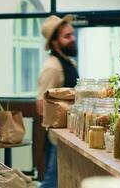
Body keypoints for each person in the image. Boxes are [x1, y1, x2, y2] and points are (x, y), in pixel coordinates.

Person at [36, 14, 79, 188]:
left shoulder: (70, 63)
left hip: (70, 135)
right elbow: (41, 106)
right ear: (54, 42)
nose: (73, 39)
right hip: (58, 138)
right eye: (67, 36)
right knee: (52, 183)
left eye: (72, 34)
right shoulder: (52, 67)